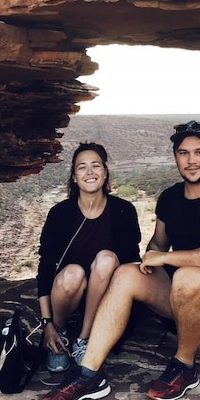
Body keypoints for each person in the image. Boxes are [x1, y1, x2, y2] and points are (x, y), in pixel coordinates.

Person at [40, 121, 200, 400]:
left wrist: (165, 259)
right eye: (183, 153)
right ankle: (89, 373)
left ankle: (184, 366)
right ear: (175, 157)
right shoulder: (170, 198)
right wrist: (151, 262)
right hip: (185, 296)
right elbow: (157, 246)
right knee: (125, 273)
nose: (192, 160)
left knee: (186, 277)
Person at [36, 142, 142, 374]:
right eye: (82, 167)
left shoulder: (124, 211)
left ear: (105, 172)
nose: (90, 172)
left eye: (96, 165)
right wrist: (48, 324)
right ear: (74, 177)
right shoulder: (60, 214)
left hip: (105, 297)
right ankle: (59, 336)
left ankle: (85, 340)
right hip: (67, 295)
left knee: (106, 259)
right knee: (74, 272)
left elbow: (130, 264)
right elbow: (45, 268)